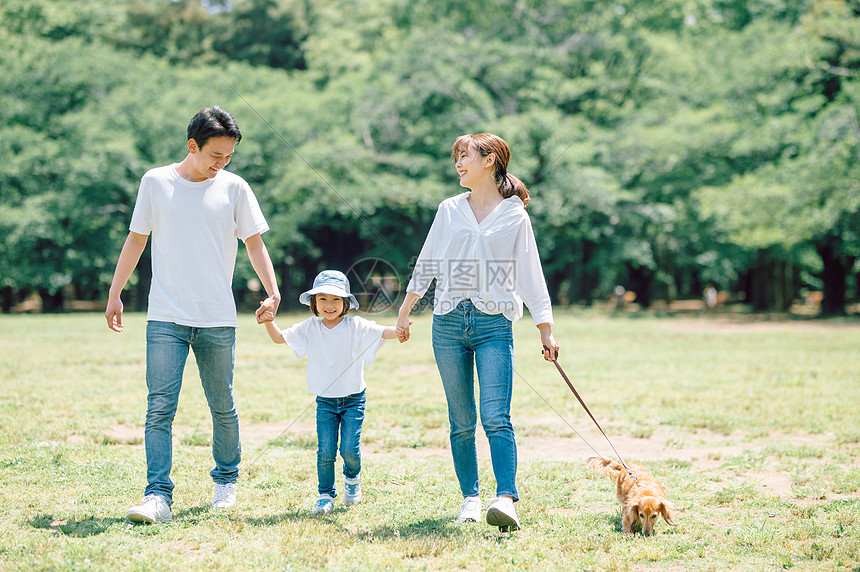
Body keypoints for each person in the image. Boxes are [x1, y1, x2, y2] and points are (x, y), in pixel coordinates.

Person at [105, 106, 281, 524]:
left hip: (217, 317)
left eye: (228, 156)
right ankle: (157, 496)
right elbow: (135, 240)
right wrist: (115, 293)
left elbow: (254, 244)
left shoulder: (235, 188)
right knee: (160, 407)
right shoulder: (156, 182)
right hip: (165, 314)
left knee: (223, 404)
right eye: (215, 155)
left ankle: (225, 480)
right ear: (192, 145)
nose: (222, 164)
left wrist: (273, 292)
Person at [395, 133, 559, 531]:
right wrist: (404, 311)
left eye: (464, 156)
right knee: (461, 419)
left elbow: (530, 273)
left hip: (494, 324)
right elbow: (428, 260)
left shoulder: (514, 215)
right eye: (456, 158)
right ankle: (470, 498)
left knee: (496, 416)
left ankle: (505, 499)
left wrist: (545, 330)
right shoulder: (449, 209)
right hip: (448, 322)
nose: (458, 164)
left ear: (490, 161)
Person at [258, 270, 404, 515]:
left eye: (336, 299)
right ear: (314, 302)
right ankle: (325, 495)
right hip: (325, 401)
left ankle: (352, 479)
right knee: (326, 450)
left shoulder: (355, 325)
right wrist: (268, 320)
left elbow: (381, 331)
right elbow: (280, 338)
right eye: (323, 299)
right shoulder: (310, 327)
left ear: (346, 303)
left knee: (349, 449)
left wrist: (399, 330)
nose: (329, 305)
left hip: (353, 399)